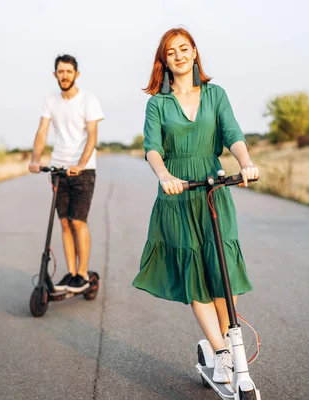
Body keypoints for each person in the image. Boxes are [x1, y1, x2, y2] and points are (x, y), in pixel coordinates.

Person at [131, 28, 259, 384]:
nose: (179, 56)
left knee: (221, 267)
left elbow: (232, 133)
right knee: (194, 274)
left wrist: (245, 163)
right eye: (171, 52)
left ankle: (233, 340)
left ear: (195, 52)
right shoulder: (158, 103)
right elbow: (152, 147)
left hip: (213, 186)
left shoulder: (215, 94)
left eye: (184, 49)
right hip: (177, 192)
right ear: (164, 61)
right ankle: (220, 352)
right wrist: (163, 175)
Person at [29, 54, 104, 293]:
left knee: (77, 221)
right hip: (59, 169)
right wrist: (35, 159)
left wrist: (81, 164)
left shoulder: (88, 100)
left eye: (69, 72)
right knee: (63, 222)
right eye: (60, 72)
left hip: (83, 171)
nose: (64, 76)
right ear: (55, 75)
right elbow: (42, 130)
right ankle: (71, 273)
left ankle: (82, 274)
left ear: (76, 74)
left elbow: (92, 136)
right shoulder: (50, 99)